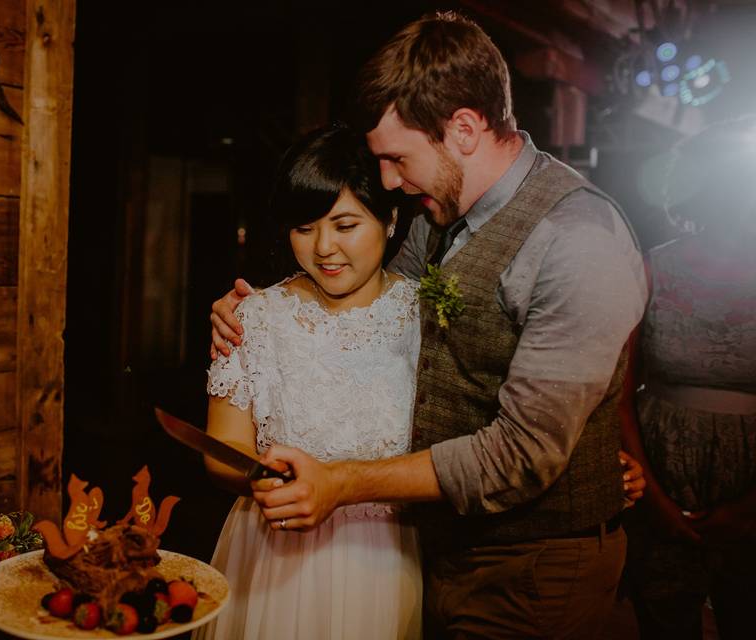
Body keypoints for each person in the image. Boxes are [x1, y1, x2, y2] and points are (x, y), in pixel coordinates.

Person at [210, 12, 648, 638]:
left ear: (464, 128)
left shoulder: (578, 240)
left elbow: (523, 455)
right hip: (439, 554)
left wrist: (342, 482)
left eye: (396, 158)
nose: (387, 179)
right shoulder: (436, 219)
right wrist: (247, 312)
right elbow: (352, 293)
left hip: (535, 568)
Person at [195, 123, 424, 640]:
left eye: (345, 225)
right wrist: (263, 478)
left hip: (385, 556)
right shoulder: (251, 316)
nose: (324, 248)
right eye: (305, 228)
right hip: (275, 553)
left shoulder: (425, 318)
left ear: (389, 220)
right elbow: (219, 449)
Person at [620, 115, 756, 640]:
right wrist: (654, 500)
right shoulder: (653, 269)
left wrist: (749, 511)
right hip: (661, 484)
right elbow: (621, 394)